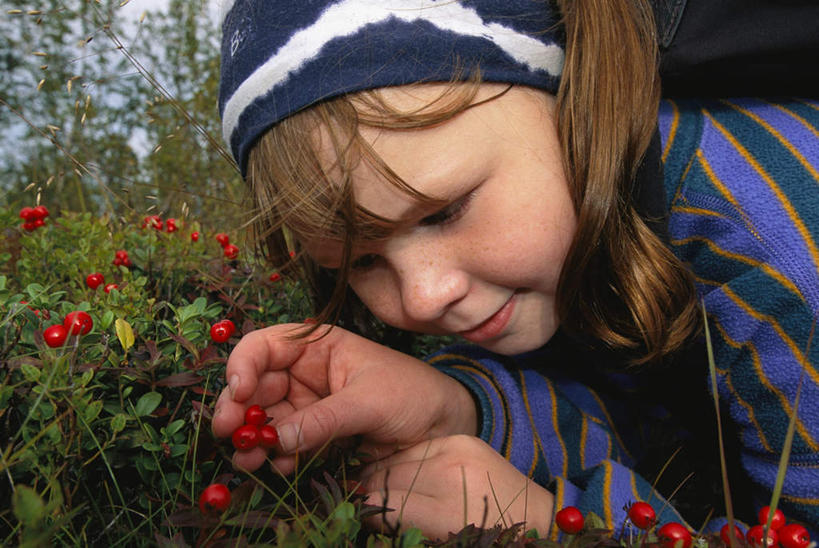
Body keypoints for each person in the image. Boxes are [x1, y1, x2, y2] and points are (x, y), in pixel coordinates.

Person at [211, 0, 819, 541]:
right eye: (363, 262)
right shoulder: (573, 224)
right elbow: (631, 402)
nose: (423, 299)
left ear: (566, 97)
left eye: (445, 211)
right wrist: (463, 407)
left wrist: (558, 527)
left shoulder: (778, 242)